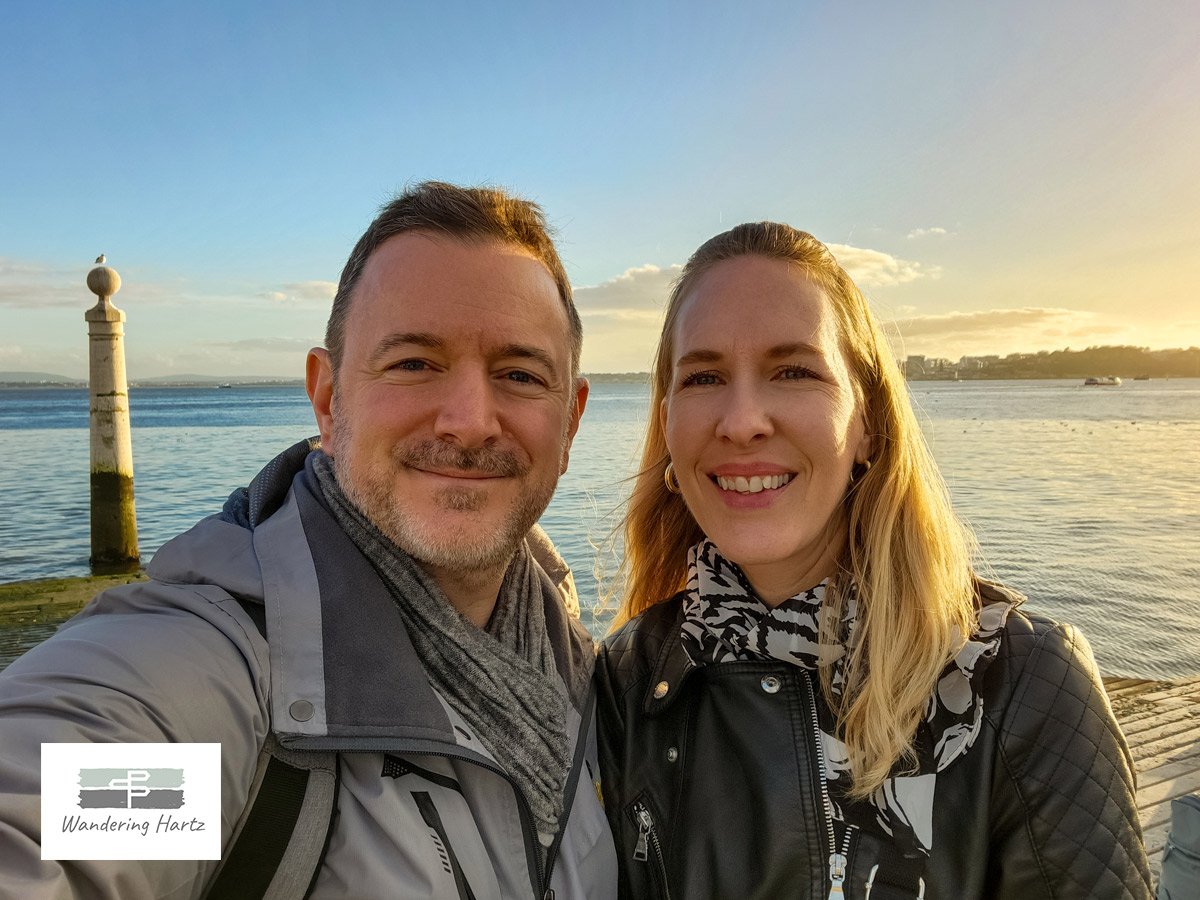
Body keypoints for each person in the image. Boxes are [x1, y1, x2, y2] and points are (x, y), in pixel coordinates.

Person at [0, 182, 617, 898]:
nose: (470, 421)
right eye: (414, 362)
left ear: (569, 423)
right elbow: (48, 821)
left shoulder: (585, 676)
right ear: (328, 400)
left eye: (519, 374)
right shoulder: (236, 702)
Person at [595, 222, 1152, 899]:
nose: (741, 420)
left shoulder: (1020, 684)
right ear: (669, 424)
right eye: (704, 376)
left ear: (868, 424)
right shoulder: (633, 679)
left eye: (794, 371)